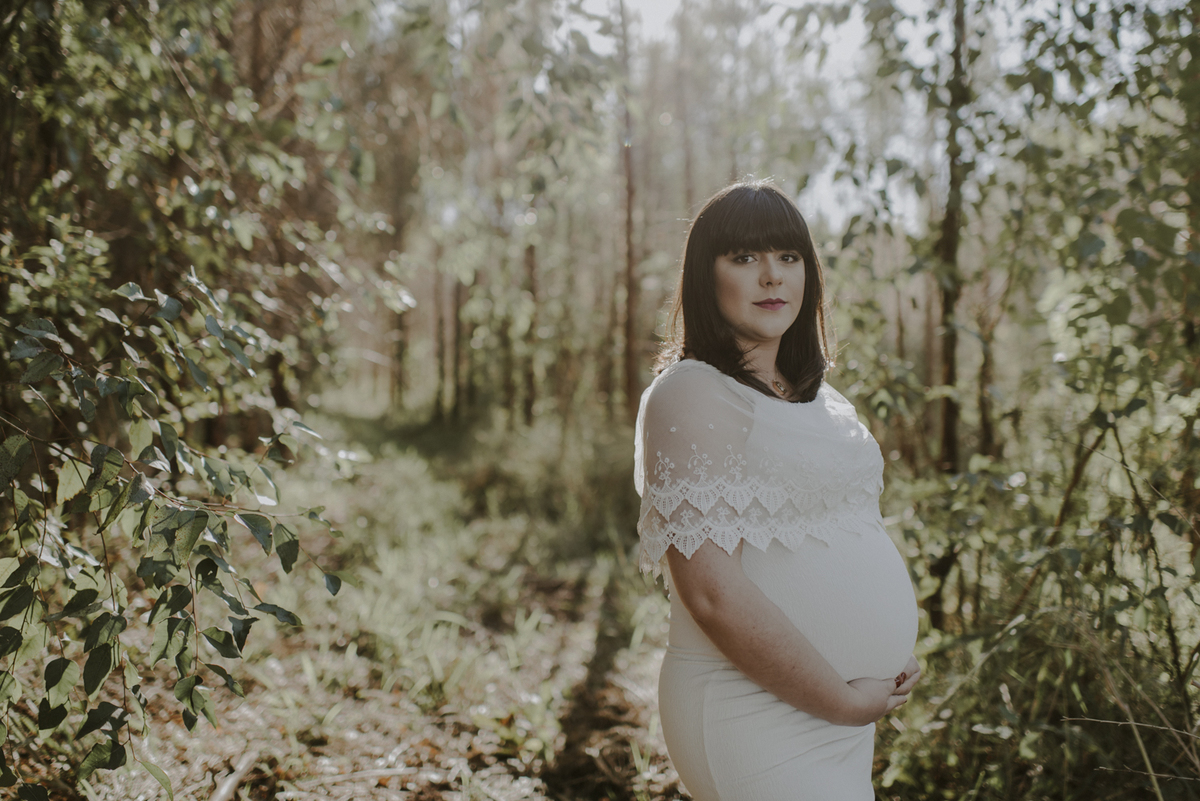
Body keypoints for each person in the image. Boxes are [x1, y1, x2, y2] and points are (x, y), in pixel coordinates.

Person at [633, 179, 921, 801]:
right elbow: (710, 593)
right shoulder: (694, 391)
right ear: (705, 277)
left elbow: (845, 537)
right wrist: (842, 699)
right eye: (744, 258)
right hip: (753, 709)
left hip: (839, 713)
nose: (772, 277)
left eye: (788, 257)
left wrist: (885, 653)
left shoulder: (825, 402)